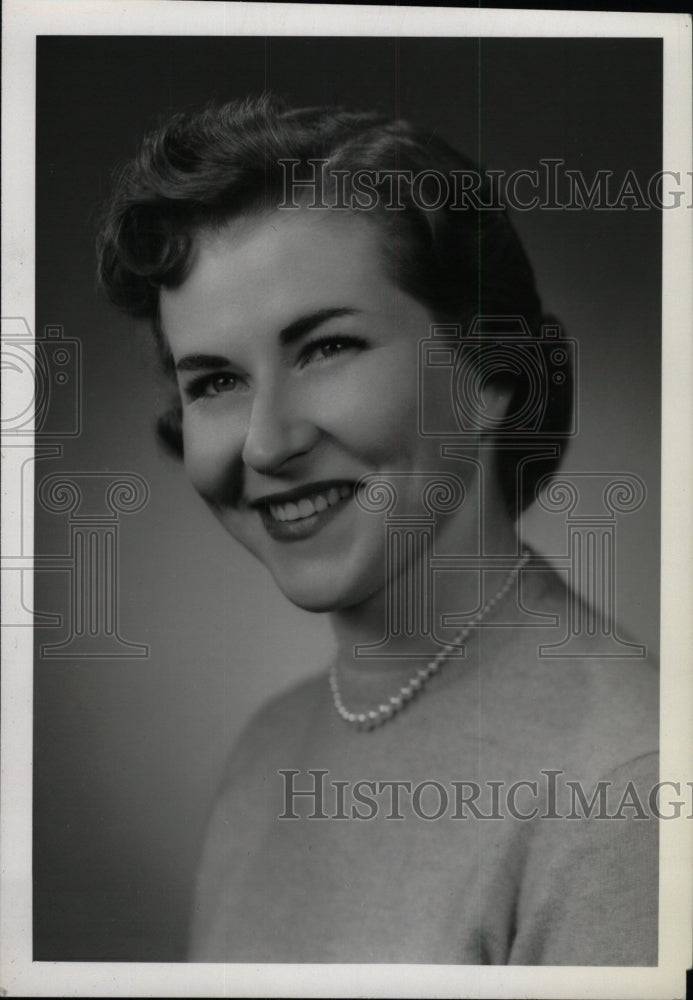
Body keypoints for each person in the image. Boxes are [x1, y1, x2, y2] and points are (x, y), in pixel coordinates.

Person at [96, 94, 658, 965]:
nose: (267, 441)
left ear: (492, 373)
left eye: (325, 348)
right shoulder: (268, 752)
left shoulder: (628, 789)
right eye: (212, 382)